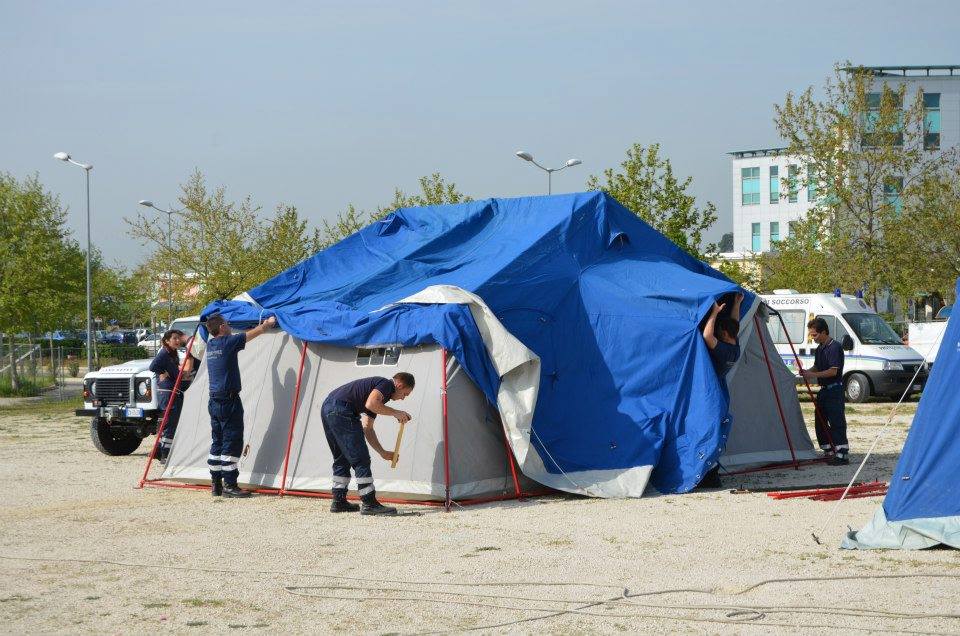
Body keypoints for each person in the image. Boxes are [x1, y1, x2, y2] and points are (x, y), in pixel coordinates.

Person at [321, 373, 415, 515]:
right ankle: (369, 503)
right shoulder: (386, 385)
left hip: (328, 407)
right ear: (399, 385)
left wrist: (382, 452)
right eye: (405, 394)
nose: (403, 398)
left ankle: (339, 501)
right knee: (361, 459)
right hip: (342, 409)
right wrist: (396, 413)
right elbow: (371, 403)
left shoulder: (378, 398)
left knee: (342, 458)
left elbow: (368, 428)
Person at [204, 313, 277, 498]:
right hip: (228, 401)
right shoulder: (228, 342)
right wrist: (268, 324)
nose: (230, 326)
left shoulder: (211, 345)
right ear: (222, 327)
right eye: (227, 324)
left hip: (214, 400)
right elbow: (255, 332)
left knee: (217, 441)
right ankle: (230, 485)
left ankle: (216, 484)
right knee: (232, 440)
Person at [697, 292, 744, 489]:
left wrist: (714, 313)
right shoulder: (735, 346)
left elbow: (707, 336)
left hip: (711, 392)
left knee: (708, 430)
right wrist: (737, 304)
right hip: (719, 391)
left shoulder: (724, 350)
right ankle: (711, 472)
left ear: (724, 334)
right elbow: (734, 323)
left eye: (720, 331)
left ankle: (710, 473)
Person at [802, 317, 849, 465]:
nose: (813, 338)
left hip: (834, 390)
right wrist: (806, 372)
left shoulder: (835, 347)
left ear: (823, 332)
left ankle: (842, 454)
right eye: (811, 335)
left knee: (836, 421)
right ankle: (828, 450)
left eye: (815, 335)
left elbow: (833, 371)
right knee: (820, 421)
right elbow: (817, 366)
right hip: (823, 391)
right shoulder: (819, 349)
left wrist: (813, 375)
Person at [149, 329, 195, 463]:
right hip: (167, 391)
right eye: (174, 338)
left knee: (168, 422)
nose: (177, 340)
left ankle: (158, 451)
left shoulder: (173, 353)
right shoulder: (164, 353)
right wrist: (163, 372)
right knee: (170, 422)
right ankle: (165, 454)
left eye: (178, 338)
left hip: (173, 390)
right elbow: (153, 366)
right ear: (167, 341)